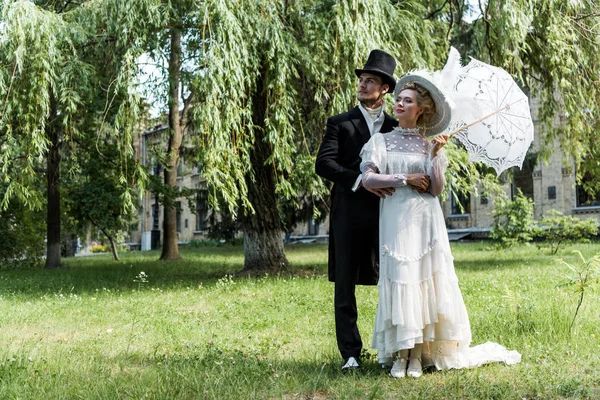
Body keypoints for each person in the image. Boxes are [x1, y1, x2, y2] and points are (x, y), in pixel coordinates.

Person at [359, 70, 521, 378]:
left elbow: (435, 189)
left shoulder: (428, 145)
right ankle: (400, 355)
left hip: (426, 220)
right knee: (401, 277)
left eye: (407, 101)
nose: (399, 105)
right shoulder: (380, 141)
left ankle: (418, 356)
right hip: (395, 217)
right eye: (398, 100)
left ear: (421, 109)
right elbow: (367, 179)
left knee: (423, 280)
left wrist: (434, 157)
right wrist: (404, 178)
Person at [315, 50, 409, 371]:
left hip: (388, 213)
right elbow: (324, 164)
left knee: (394, 277)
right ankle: (351, 353)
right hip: (349, 212)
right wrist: (360, 180)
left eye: (370, 81)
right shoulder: (339, 123)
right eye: (361, 80)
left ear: (385, 88)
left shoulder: (397, 128)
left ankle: (391, 346)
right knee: (345, 283)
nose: (362, 85)